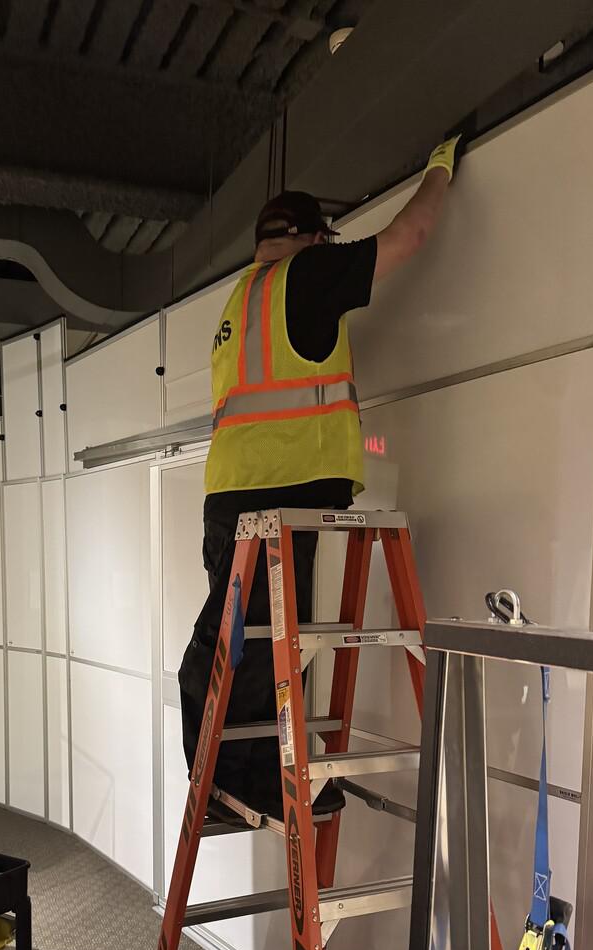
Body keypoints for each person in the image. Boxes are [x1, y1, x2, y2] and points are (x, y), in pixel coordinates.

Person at [179, 137, 463, 822]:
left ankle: (264, 778)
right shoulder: (304, 276)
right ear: (312, 238)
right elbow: (409, 237)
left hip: (242, 498)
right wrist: (439, 169)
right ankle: (228, 782)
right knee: (248, 651)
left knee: (263, 650)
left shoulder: (240, 300)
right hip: (276, 497)